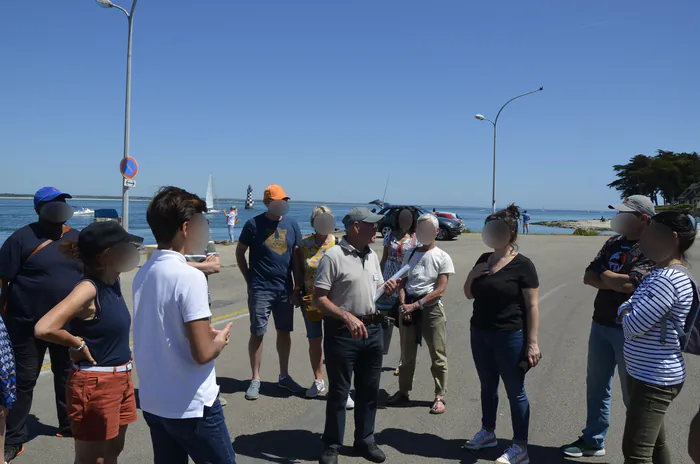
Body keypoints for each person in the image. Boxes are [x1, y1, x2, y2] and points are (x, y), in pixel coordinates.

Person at [133, 186, 235, 464]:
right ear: (187, 228)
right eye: (204, 223)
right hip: (191, 404)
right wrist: (220, 340)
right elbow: (202, 352)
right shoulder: (190, 278)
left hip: (154, 401)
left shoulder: (145, 272)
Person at [34, 221, 143, 464]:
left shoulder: (112, 282)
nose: (132, 251)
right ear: (106, 254)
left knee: (114, 449)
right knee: (93, 459)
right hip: (95, 383)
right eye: (126, 246)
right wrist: (77, 344)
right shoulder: (88, 288)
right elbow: (44, 328)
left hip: (121, 378)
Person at [561, 195, 655, 458]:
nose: (619, 218)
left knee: (632, 393)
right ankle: (593, 439)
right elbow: (588, 275)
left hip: (632, 330)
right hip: (601, 323)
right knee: (597, 386)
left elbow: (633, 285)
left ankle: (639, 450)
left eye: (626, 214)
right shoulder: (613, 242)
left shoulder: (653, 247)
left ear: (644, 219)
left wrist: (606, 277)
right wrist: (611, 279)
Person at [0, 187, 82, 462]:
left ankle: (69, 425)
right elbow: (3, 279)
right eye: (53, 202)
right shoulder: (21, 238)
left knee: (66, 375)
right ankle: (13, 438)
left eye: (62, 201)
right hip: (25, 324)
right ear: (39, 208)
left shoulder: (77, 239)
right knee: (24, 380)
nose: (59, 206)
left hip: (65, 324)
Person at [314, 207, 398, 464]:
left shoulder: (372, 255)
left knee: (369, 389)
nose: (377, 229)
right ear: (356, 227)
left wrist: (386, 289)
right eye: (372, 225)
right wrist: (347, 316)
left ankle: (365, 439)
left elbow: (373, 289)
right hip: (343, 331)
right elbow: (319, 299)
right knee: (340, 391)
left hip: (372, 329)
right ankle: (331, 443)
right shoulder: (333, 256)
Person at [463, 204, 541, 464]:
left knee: (515, 391)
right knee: (487, 386)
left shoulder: (523, 265)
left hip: (510, 336)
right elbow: (468, 293)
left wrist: (532, 343)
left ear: (511, 233)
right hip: (480, 333)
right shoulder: (483, 260)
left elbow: (531, 306)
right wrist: (473, 275)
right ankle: (488, 432)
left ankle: (520, 447)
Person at [617, 211, 695, 464]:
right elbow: (630, 306)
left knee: (636, 452)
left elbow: (631, 325)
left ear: (671, 238)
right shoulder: (662, 274)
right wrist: (629, 308)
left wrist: (627, 310)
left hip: (655, 377)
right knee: (655, 443)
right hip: (645, 371)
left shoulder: (666, 280)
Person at [236, 184, 304, 401]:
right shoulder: (253, 224)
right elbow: (240, 252)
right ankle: (255, 378)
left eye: (285, 200)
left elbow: (296, 257)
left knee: (284, 332)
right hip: (261, 288)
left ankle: (284, 376)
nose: (283, 204)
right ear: (267, 203)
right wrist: (249, 279)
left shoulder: (292, 225)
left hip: (284, 289)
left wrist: (297, 288)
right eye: (278, 201)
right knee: (258, 332)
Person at [387, 214, 454, 414]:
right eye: (420, 229)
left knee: (438, 355)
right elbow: (401, 281)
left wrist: (415, 306)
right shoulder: (411, 252)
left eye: (427, 229)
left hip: (430, 310)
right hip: (407, 307)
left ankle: (439, 396)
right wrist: (402, 303)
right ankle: (403, 392)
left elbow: (440, 290)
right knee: (406, 355)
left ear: (436, 232)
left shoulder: (443, 257)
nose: (422, 233)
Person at [297, 207, 355, 409]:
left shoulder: (338, 244)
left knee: (337, 345)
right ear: (313, 222)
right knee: (314, 341)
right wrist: (297, 292)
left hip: (334, 302)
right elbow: (299, 272)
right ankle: (318, 381)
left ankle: (341, 389)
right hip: (311, 302)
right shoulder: (303, 245)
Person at [184, 223, 226, 407]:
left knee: (205, 347)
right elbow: (173, 265)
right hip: (182, 300)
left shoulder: (206, 242)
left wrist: (187, 265)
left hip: (203, 301)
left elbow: (216, 267)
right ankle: (186, 392)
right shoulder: (178, 243)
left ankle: (207, 393)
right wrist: (203, 265)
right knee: (183, 347)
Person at [380, 207, 418, 377]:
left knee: (403, 327)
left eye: (408, 218)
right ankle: (377, 358)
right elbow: (384, 258)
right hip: (388, 284)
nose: (405, 221)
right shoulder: (389, 236)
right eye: (403, 218)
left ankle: (402, 362)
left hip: (404, 285)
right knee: (382, 324)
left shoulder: (415, 239)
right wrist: (379, 282)